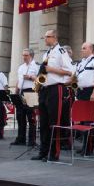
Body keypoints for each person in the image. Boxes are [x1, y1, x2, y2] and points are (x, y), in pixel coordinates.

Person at [31, 29, 74, 162]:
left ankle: (54, 153)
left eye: (47, 37)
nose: (45, 39)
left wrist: (51, 69)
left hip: (56, 89)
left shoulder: (62, 52)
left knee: (54, 122)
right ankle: (43, 151)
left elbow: (70, 71)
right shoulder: (47, 54)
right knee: (43, 123)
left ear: (54, 37)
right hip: (44, 89)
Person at [13, 48, 38, 146]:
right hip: (21, 91)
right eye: (23, 55)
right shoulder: (21, 67)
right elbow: (18, 81)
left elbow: (40, 80)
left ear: (31, 56)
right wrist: (16, 92)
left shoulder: (36, 66)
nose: (24, 57)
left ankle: (32, 140)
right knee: (20, 116)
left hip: (31, 91)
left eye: (26, 55)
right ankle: (21, 138)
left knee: (31, 117)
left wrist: (31, 77)